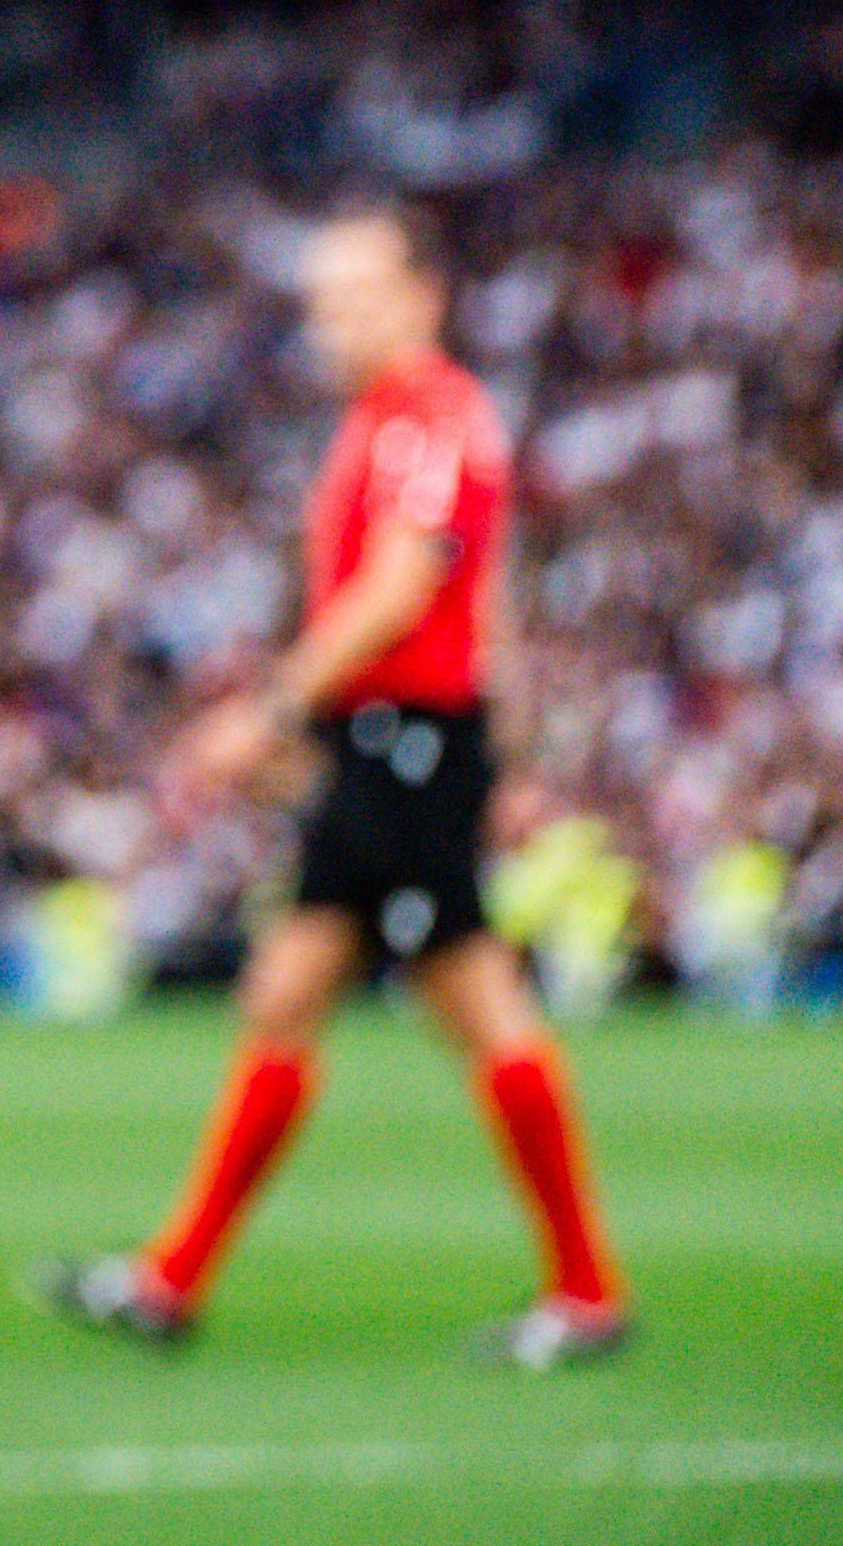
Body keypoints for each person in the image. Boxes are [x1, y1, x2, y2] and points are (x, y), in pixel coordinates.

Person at [32, 203, 630, 1368]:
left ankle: (584, 1291)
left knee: (472, 998)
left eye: (351, 293)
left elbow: (404, 589)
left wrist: (269, 706)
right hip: (393, 743)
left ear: (421, 296)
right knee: (285, 988)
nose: (328, 319)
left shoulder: (425, 415)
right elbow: (482, 598)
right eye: (318, 298)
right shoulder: (395, 417)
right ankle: (168, 1280)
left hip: (407, 743)